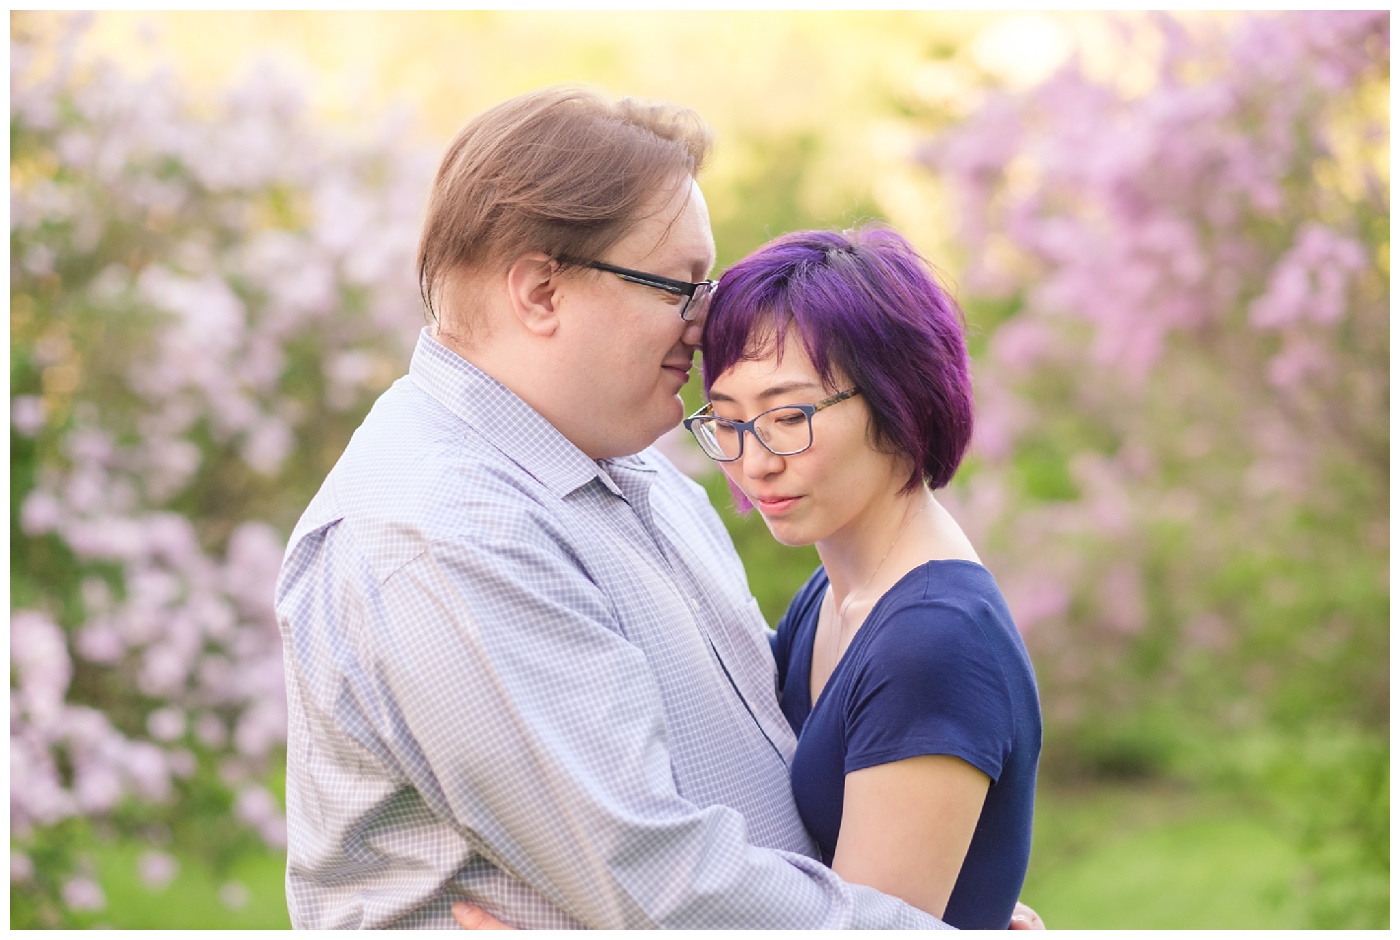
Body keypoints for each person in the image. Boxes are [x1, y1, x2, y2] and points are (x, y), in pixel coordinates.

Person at [276, 85, 970, 929]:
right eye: (679, 286)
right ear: (540, 292)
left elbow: (759, 764)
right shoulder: (441, 535)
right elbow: (655, 885)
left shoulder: (635, 478)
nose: (708, 325)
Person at [684, 226, 1042, 929]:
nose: (753, 463)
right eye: (727, 421)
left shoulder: (932, 642)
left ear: (898, 400)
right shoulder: (833, 597)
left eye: (787, 416)